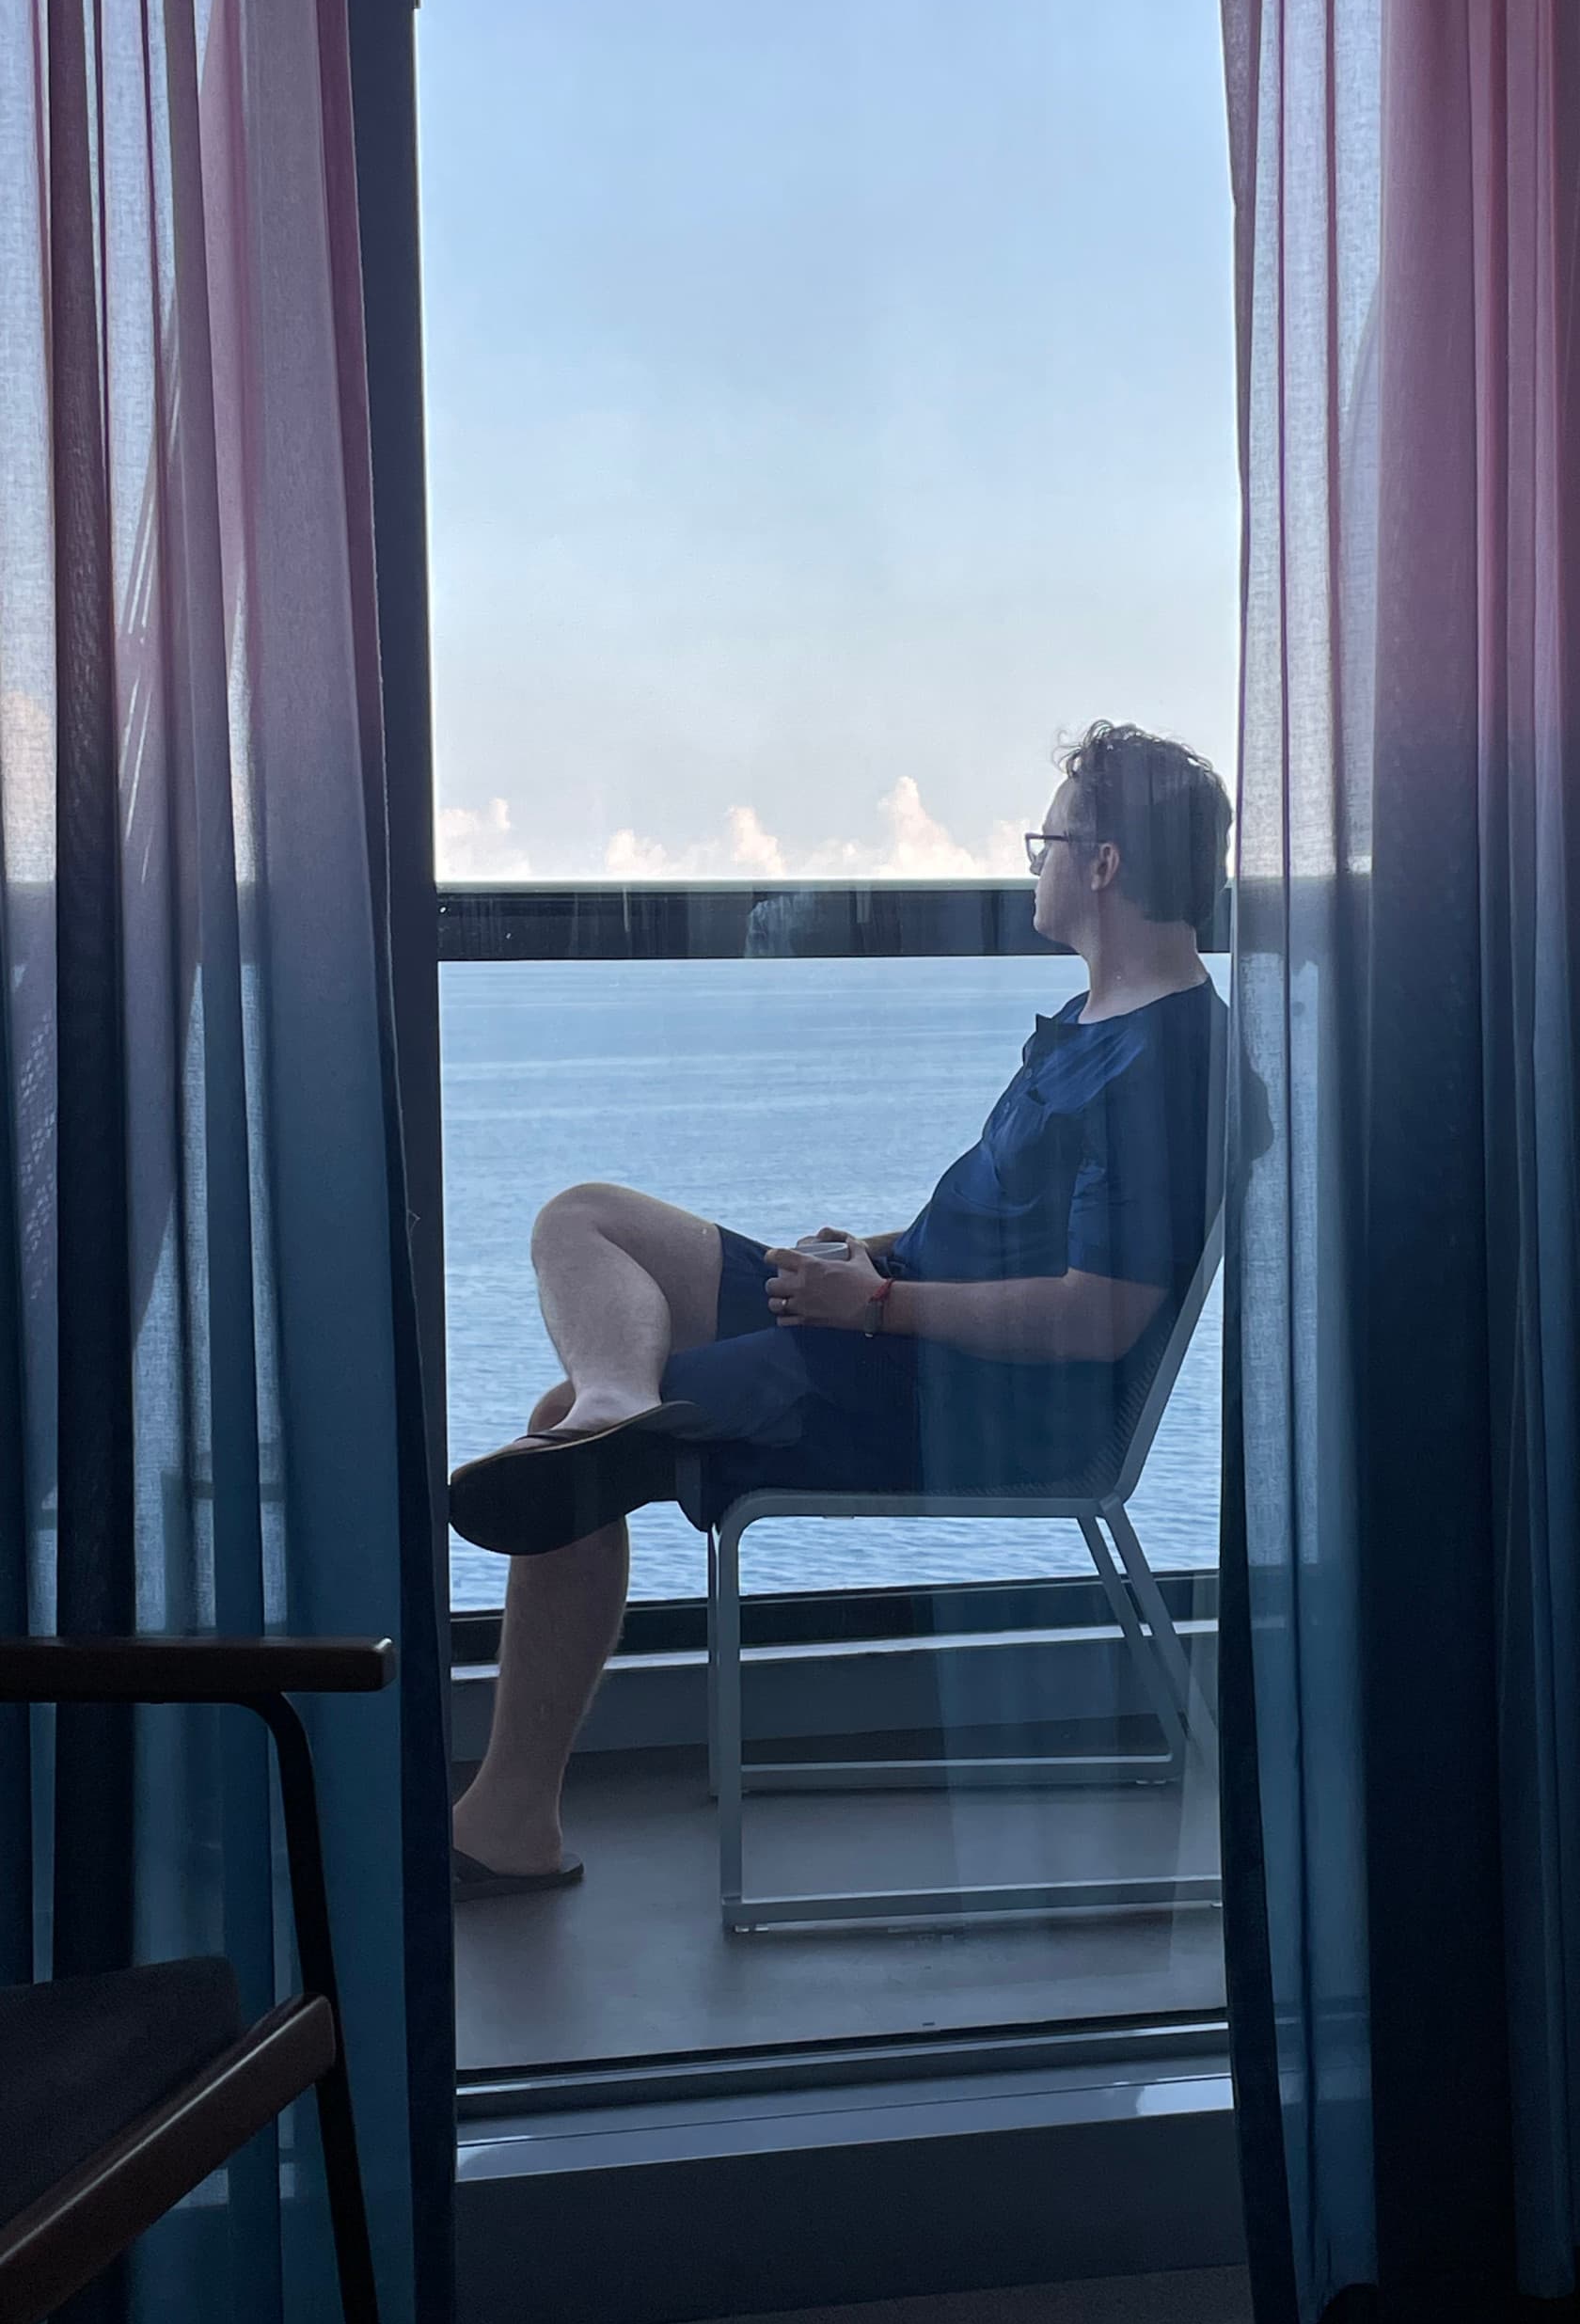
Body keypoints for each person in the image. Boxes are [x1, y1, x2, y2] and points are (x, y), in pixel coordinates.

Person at [448, 722, 1231, 1894]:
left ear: (1104, 864)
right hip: (891, 1325)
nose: (1035, 863)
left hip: (963, 1402)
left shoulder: (1165, 1064)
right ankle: (619, 1402)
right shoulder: (1087, 1028)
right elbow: (999, 1234)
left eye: (1047, 840)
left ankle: (509, 1819)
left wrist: (869, 1311)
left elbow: (1097, 1316)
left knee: (563, 1418)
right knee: (584, 1219)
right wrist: (861, 1260)